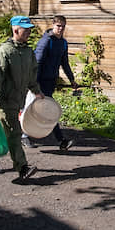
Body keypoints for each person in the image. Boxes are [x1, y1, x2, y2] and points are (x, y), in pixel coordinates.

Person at [0, 15, 44, 183]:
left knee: (2, 132)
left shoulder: (27, 51)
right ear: (15, 29)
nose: (29, 32)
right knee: (15, 133)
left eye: (30, 29)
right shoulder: (4, 51)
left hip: (19, 99)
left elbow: (32, 75)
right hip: (6, 99)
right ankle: (22, 167)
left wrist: (37, 91)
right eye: (26, 29)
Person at [26, 14, 78, 151]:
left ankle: (24, 135)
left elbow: (65, 63)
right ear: (53, 25)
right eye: (58, 26)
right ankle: (61, 141)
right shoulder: (45, 41)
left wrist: (72, 79)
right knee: (41, 110)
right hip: (39, 82)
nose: (60, 29)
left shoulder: (63, 43)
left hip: (50, 81)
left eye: (63, 26)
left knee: (40, 110)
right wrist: (35, 86)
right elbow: (37, 63)